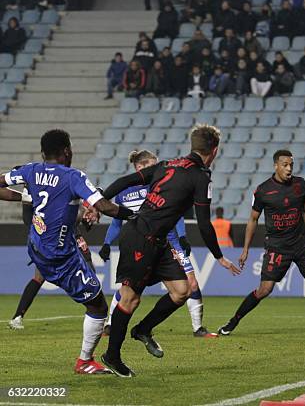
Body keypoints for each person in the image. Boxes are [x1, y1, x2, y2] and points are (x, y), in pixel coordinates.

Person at [90, 124, 240, 377]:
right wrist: (218, 256)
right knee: (130, 298)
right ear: (214, 150)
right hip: (139, 237)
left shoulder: (167, 165)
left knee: (182, 291)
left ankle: (142, 330)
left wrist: (99, 197)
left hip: (158, 241)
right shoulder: (201, 176)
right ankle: (112, 355)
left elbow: (125, 181)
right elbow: (204, 223)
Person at [0, 129, 138, 373]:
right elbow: (106, 207)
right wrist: (137, 215)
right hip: (59, 256)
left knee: (77, 263)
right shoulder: (73, 176)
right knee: (98, 307)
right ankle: (85, 362)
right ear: (67, 151)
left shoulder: (30, 169)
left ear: (44, 153)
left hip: (37, 246)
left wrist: (25, 197)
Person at [98, 150, 217, 339]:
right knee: (127, 289)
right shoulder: (123, 193)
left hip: (169, 241)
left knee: (191, 283)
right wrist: (106, 243)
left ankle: (198, 328)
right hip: (140, 241)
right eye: (149, 165)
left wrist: (183, 237)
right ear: (139, 167)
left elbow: (174, 211)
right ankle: (111, 325)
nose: (153, 168)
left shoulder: (157, 184)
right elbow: (116, 223)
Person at [218, 150, 305, 337]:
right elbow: (253, 220)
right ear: (276, 166)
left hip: (301, 244)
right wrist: (245, 249)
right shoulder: (263, 190)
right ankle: (233, 321)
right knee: (265, 289)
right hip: (277, 246)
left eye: (291, 165)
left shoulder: (300, 185)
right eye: (285, 165)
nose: (289, 169)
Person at [8, 189, 96, 330]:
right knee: (39, 277)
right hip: (52, 237)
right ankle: (17, 316)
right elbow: (28, 219)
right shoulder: (43, 193)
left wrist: (88, 219)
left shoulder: (50, 189)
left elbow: (86, 224)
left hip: (67, 233)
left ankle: (96, 312)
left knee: (88, 263)